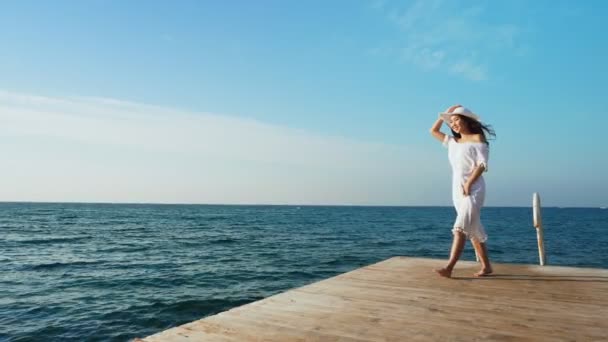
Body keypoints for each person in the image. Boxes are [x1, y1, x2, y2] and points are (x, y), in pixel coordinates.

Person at [429, 104, 496, 278]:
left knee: (460, 228)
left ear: (466, 120)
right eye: (451, 122)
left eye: (456, 119)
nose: (453, 124)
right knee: (473, 228)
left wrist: (468, 184)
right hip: (457, 189)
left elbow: (482, 165)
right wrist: (446, 113)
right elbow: (433, 131)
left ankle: (449, 267)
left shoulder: (477, 138)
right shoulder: (452, 142)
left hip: (473, 189)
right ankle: (487, 267)